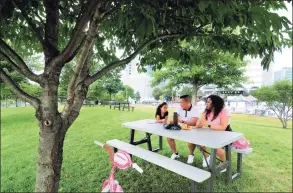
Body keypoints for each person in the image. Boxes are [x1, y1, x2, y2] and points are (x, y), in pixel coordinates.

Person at [195, 95, 231, 172]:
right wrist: (198, 124)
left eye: (208, 102)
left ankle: (223, 163)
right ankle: (207, 157)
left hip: (223, 133)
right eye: (206, 102)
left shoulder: (224, 111)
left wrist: (207, 124)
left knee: (216, 148)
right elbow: (200, 121)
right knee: (198, 142)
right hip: (210, 133)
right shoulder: (207, 111)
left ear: (215, 103)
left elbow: (223, 127)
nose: (206, 104)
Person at [167, 95, 200, 164]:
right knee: (169, 138)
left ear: (188, 102)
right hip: (180, 127)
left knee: (191, 142)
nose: (180, 104)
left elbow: (193, 122)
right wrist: (171, 121)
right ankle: (175, 153)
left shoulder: (195, 109)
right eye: (180, 102)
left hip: (191, 129)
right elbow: (176, 117)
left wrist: (181, 121)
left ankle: (191, 154)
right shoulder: (179, 108)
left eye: (181, 102)